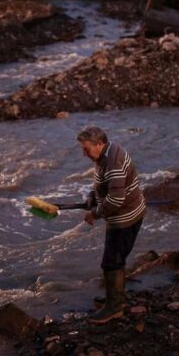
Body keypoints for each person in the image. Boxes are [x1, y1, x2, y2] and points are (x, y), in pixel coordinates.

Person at [77, 126, 145, 324]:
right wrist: (93, 196)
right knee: (116, 258)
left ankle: (114, 308)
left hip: (125, 218)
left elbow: (115, 200)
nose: (84, 153)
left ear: (100, 144)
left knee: (111, 262)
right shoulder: (108, 152)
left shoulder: (113, 162)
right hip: (127, 213)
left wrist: (94, 214)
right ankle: (114, 299)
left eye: (86, 149)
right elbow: (104, 184)